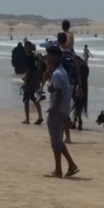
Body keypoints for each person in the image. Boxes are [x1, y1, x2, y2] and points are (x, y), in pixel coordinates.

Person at [45, 46, 79, 178]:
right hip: (64, 109)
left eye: (49, 56)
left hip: (58, 109)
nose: (47, 58)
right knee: (58, 140)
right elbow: (59, 90)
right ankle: (71, 165)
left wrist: (53, 109)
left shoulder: (57, 74)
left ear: (55, 57)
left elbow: (59, 94)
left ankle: (58, 170)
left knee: (55, 141)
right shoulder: (61, 71)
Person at [21, 41, 43, 125]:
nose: (26, 48)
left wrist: (26, 79)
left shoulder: (29, 57)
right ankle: (40, 116)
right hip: (36, 77)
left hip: (31, 79)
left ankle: (27, 119)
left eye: (27, 47)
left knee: (26, 99)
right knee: (34, 98)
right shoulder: (36, 56)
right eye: (25, 47)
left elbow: (29, 69)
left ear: (30, 47)